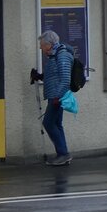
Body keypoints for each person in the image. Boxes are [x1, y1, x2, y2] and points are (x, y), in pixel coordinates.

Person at [38, 30, 74, 166]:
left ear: (49, 44)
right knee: (57, 124)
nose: (41, 48)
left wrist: (57, 97)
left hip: (57, 97)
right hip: (55, 95)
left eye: (42, 45)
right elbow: (55, 75)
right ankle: (63, 154)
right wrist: (40, 76)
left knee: (48, 123)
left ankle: (63, 154)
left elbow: (65, 79)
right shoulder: (55, 55)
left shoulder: (62, 55)